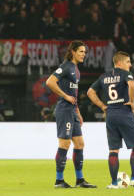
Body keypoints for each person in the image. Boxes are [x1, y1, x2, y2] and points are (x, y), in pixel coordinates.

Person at [87, 51, 134, 189]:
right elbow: (132, 85)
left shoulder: (104, 76)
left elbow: (90, 92)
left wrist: (103, 106)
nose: (130, 64)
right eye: (128, 62)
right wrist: (132, 101)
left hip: (110, 114)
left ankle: (114, 183)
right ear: (119, 63)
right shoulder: (125, 73)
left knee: (113, 150)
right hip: (124, 112)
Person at [46, 40, 96, 189]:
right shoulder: (66, 66)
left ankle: (80, 180)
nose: (84, 54)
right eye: (81, 51)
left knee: (80, 144)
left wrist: (78, 112)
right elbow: (50, 82)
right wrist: (64, 96)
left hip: (72, 111)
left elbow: (73, 93)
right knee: (65, 143)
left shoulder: (76, 69)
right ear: (73, 52)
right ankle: (59, 180)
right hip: (64, 110)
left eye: (85, 52)